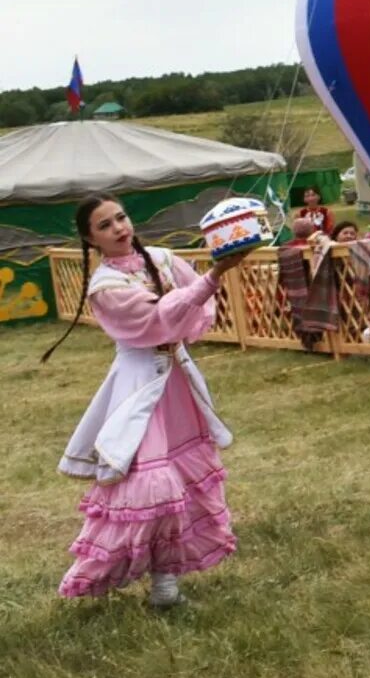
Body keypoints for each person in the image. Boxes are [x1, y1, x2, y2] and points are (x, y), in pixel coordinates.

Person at [43, 194, 244, 607]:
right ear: (89, 237)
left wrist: (209, 283)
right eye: (105, 225)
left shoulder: (163, 258)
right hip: (140, 389)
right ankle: (115, 575)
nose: (119, 228)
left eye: (121, 217)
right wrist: (213, 277)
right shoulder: (105, 288)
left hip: (176, 384)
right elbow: (157, 320)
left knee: (182, 486)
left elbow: (194, 309)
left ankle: (165, 587)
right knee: (152, 489)